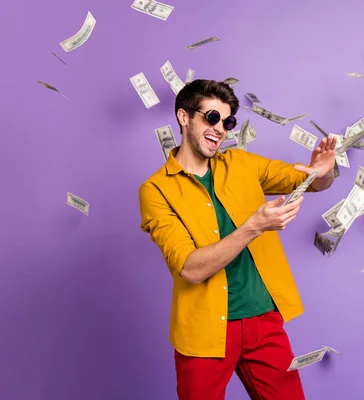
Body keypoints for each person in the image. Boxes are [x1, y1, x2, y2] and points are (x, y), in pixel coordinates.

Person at [139, 79, 337, 400]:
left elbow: (312, 181)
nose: (221, 129)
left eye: (228, 122)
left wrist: (324, 169)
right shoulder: (156, 190)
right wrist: (254, 226)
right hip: (203, 332)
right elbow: (190, 268)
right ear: (184, 117)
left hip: (263, 322)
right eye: (212, 118)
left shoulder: (242, 164)